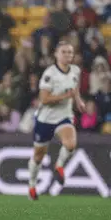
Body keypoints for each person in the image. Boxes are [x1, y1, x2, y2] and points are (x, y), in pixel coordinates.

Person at [27, 41, 85, 201]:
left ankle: (59, 166)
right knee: (38, 156)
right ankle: (32, 186)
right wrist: (66, 97)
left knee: (70, 145)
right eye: (64, 52)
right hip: (45, 119)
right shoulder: (49, 74)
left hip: (64, 116)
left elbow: (75, 88)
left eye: (70, 52)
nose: (68, 55)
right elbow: (44, 99)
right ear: (56, 54)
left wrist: (78, 100)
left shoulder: (75, 70)